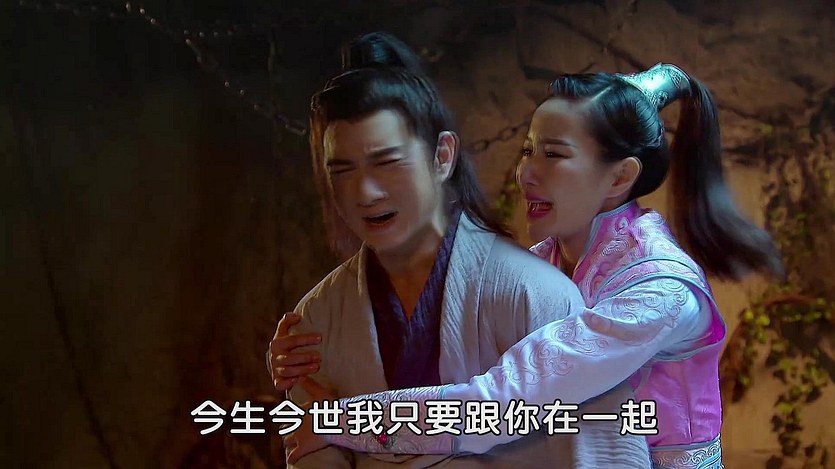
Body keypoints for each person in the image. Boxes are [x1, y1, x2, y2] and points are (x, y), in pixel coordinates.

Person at [279, 63, 784, 469]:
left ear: (619, 178)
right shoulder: (542, 263)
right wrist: (299, 353)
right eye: (528, 150)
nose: (526, 173)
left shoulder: (659, 292)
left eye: (553, 155)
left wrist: (335, 421)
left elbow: (501, 401)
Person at [268, 32, 652, 468]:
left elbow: (606, 449)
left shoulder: (534, 294)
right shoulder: (318, 319)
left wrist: (341, 421)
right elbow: (311, 451)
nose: (365, 192)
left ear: (442, 157)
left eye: (387, 162)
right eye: (342, 170)